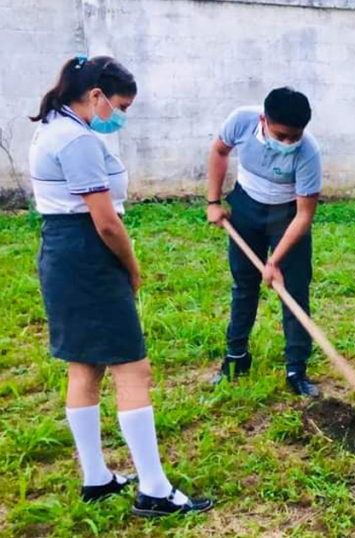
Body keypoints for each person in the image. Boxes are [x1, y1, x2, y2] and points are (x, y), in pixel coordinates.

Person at [28, 55, 212, 516]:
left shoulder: (54, 127)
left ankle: (96, 478)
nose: (121, 116)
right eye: (121, 106)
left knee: (84, 367)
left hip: (62, 252)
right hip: (88, 256)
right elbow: (107, 223)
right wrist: (131, 267)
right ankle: (154, 490)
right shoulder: (77, 140)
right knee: (133, 369)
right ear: (96, 96)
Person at [205, 88, 323, 397]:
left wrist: (274, 261)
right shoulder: (241, 121)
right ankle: (236, 358)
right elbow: (219, 151)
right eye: (281, 135)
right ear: (263, 120)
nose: (288, 143)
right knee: (244, 285)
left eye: (294, 137)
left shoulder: (309, 152)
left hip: (287, 217)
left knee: (294, 291)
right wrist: (213, 202)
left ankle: (296, 369)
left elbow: (304, 215)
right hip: (246, 208)